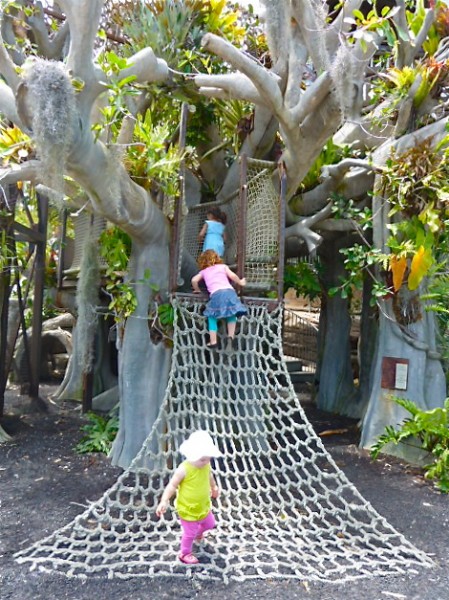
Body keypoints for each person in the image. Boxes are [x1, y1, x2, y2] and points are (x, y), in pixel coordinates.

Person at [155, 430, 222, 565]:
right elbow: (172, 486)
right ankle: (185, 553)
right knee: (189, 534)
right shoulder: (184, 469)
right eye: (202, 459)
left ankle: (198, 533)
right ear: (192, 455)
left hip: (203, 506)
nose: (205, 462)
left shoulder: (206, 465)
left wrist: (214, 488)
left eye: (208, 458)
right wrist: (164, 500)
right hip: (188, 509)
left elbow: (210, 477)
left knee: (210, 524)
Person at [191, 249, 247, 349]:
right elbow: (232, 275)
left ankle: (213, 341)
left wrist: (197, 290)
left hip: (217, 294)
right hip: (230, 292)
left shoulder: (204, 271)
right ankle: (230, 337)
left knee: (211, 316)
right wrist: (240, 282)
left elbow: (194, 280)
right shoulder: (223, 267)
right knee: (231, 314)